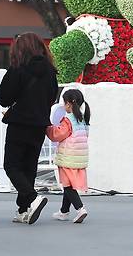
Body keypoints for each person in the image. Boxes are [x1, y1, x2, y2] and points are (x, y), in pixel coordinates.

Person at [0, 32, 58, 225]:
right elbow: (51, 98)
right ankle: (24, 210)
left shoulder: (18, 68)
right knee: (29, 167)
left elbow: (4, 97)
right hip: (39, 125)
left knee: (11, 165)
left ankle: (33, 198)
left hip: (19, 123)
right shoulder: (50, 71)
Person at [45, 88, 90, 224]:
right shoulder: (82, 119)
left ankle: (80, 208)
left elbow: (58, 135)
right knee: (68, 184)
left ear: (69, 104)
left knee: (68, 187)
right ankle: (64, 212)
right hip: (78, 157)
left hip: (67, 157)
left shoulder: (67, 120)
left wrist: (48, 127)